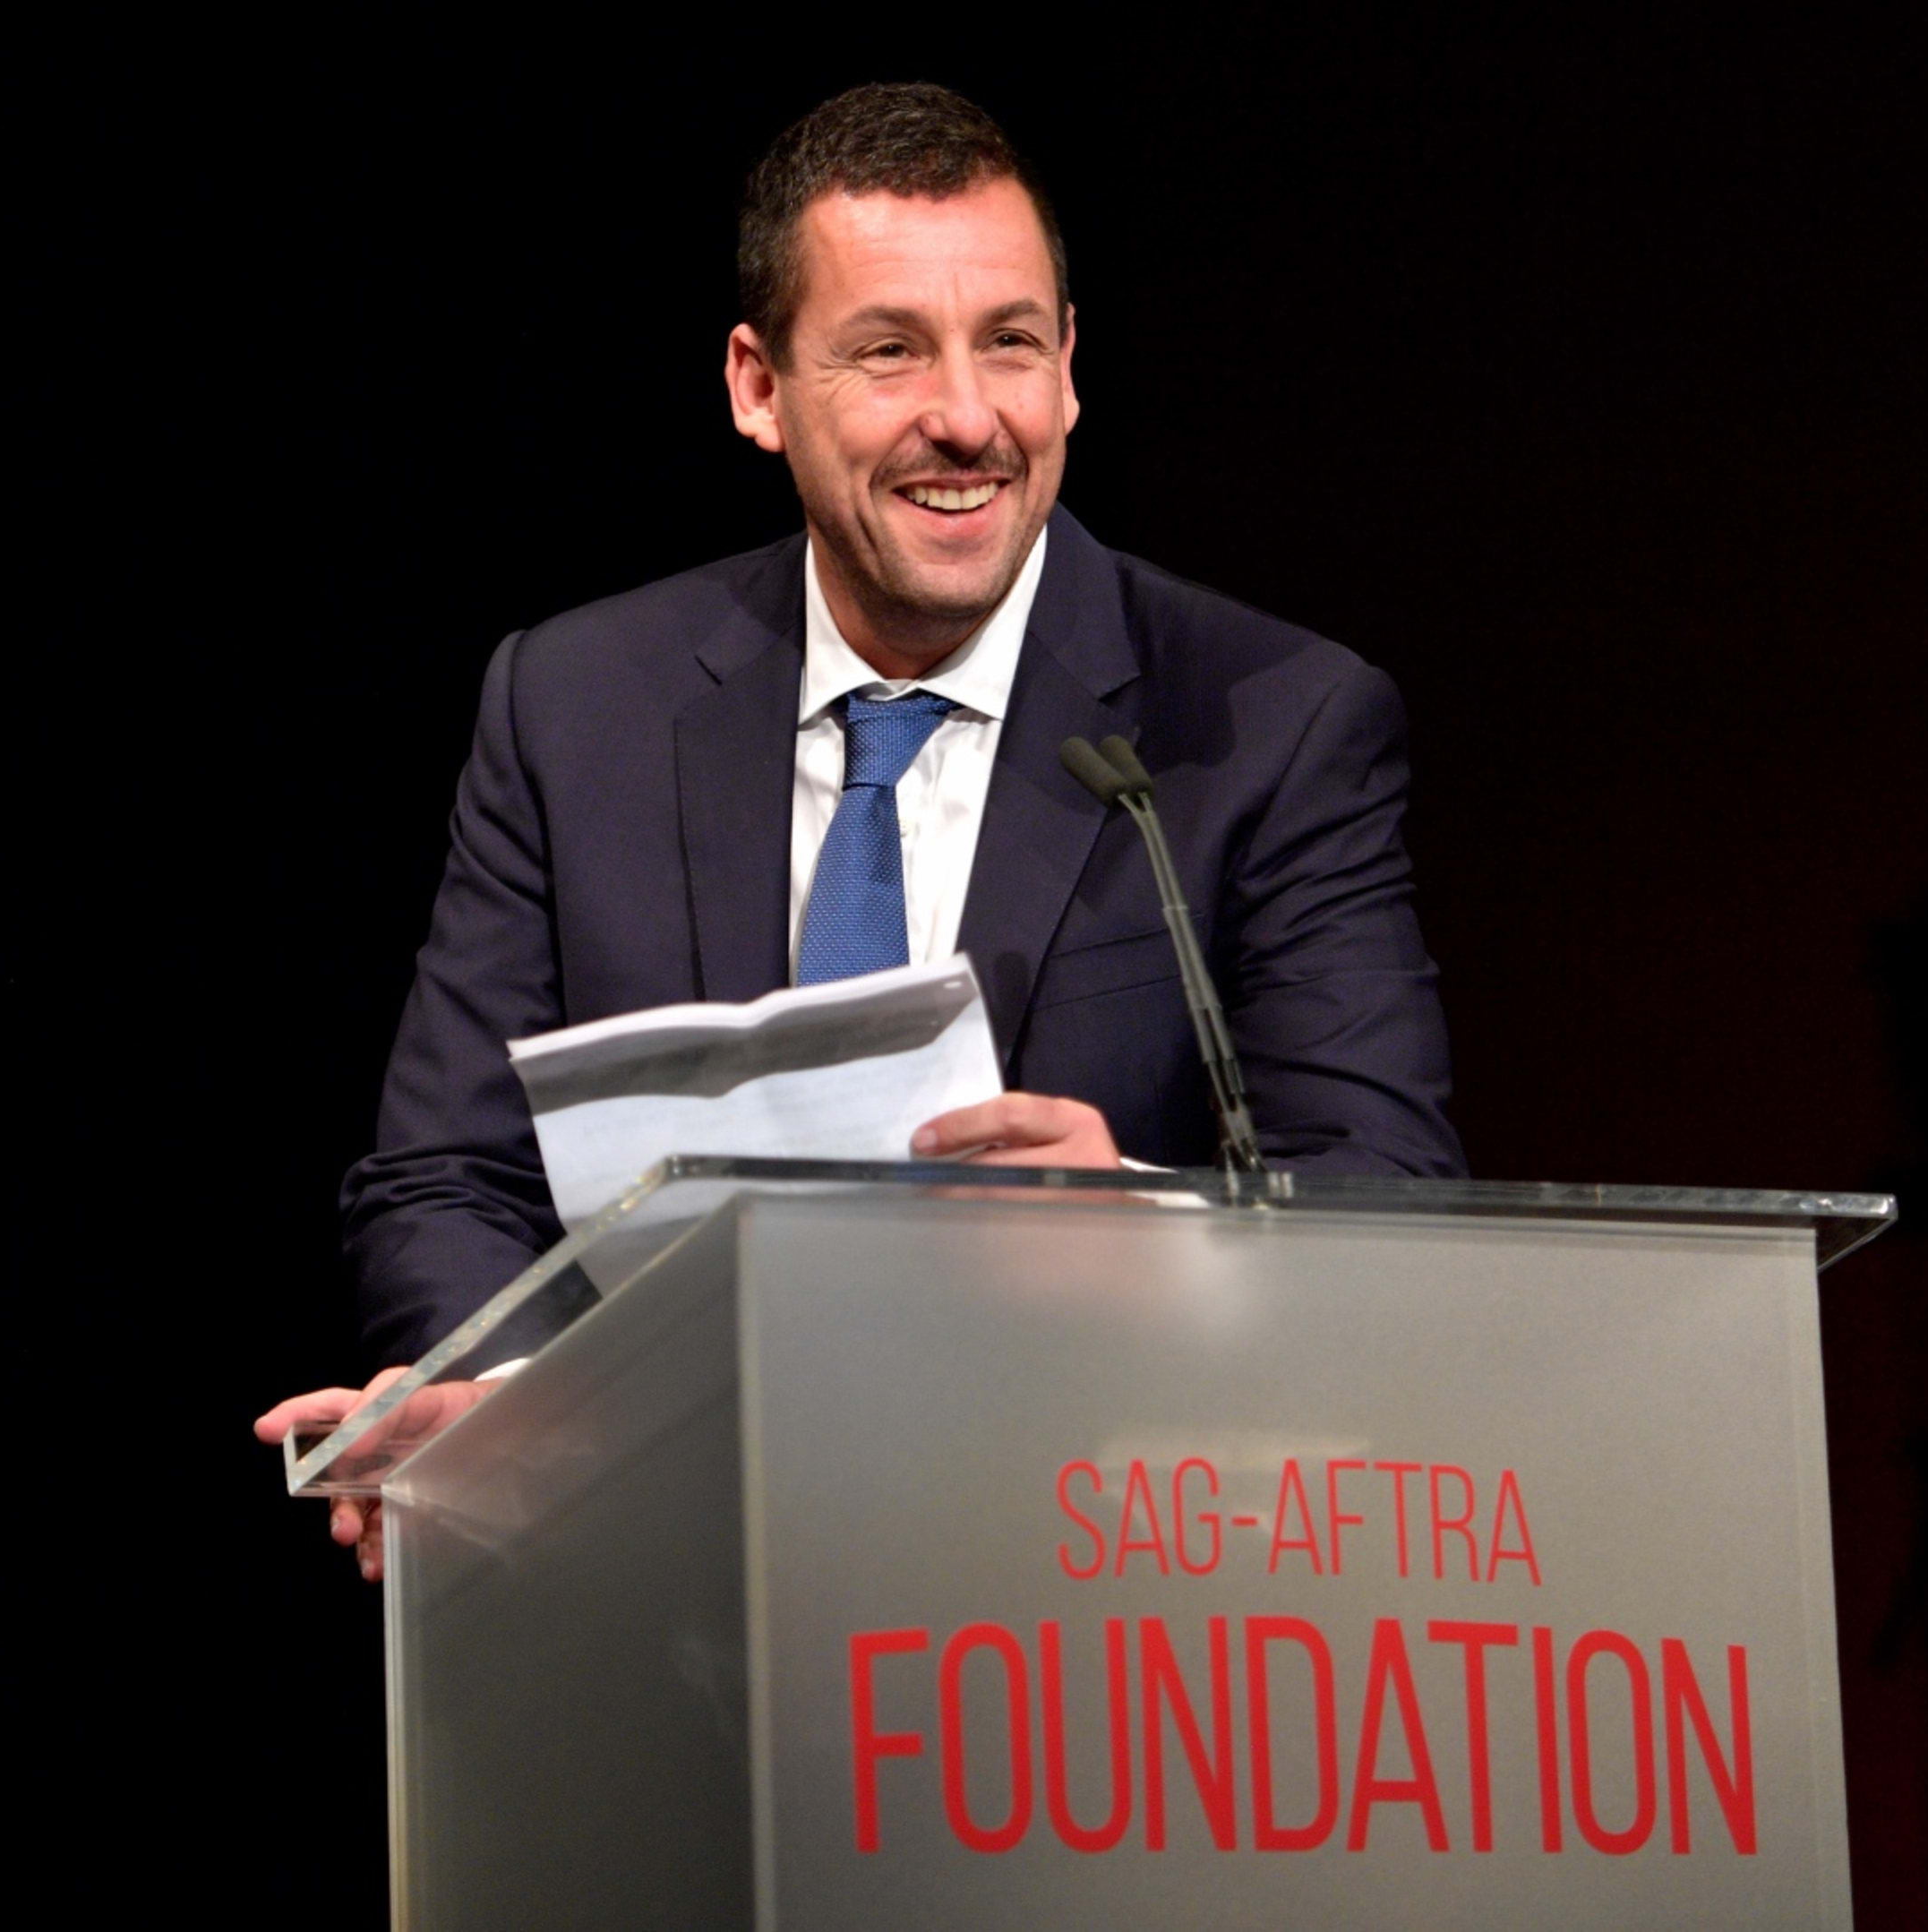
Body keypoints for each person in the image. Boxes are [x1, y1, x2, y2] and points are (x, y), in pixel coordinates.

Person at [255, 82, 1462, 1575]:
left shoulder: (1270, 723)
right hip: (668, 1594)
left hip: (1112, 1597)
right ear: (757, 386)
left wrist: (1154, 1233)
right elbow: (450, 1174)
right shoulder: (576, 704)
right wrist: (512, 1412)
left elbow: (1390, 1194)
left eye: (1011, 342)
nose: (967, 417)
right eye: (890, 350)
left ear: (1072, 367)